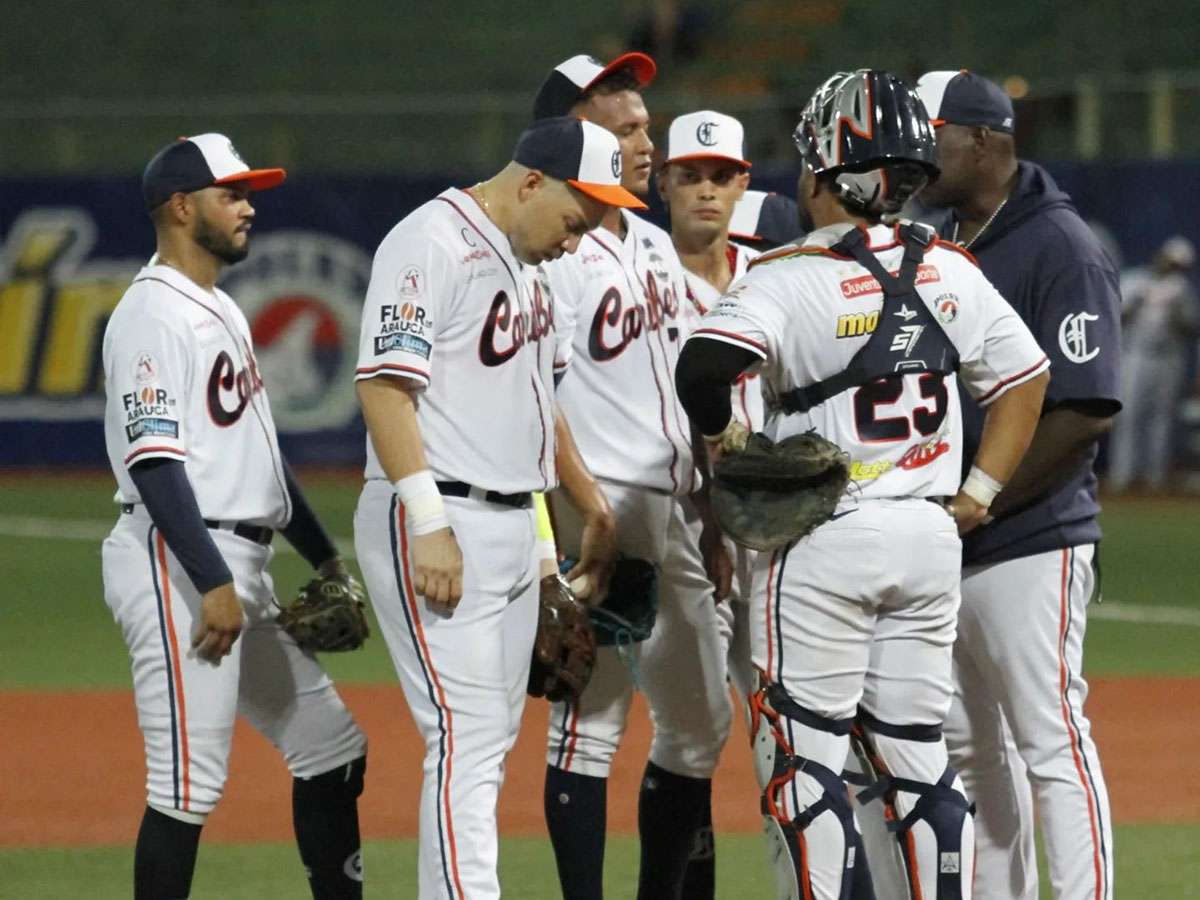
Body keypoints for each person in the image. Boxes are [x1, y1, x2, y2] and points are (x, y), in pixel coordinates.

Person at [676, 69, 1051, 900]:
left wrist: (727, 444)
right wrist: (980, 493)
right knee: (919, 765)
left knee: (805, 767)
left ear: (820, 171)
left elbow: (703, 368)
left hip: (821, 540)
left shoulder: (785, 275)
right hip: (926, 537)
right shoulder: (950, 268)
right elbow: (1026, 376)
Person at [352, 116, 632, 900]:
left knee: (489, 743)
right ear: (533, 181)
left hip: (514, 525)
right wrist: (428, 522)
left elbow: (538, 411)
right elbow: (382, 385)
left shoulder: (538, 268)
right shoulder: (431, 241)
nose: (578, 242)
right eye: (577, 221)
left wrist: (549, 551)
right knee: (465, 739)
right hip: (441, 514)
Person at [100, 133, 368, 900]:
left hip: (235, 562)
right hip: (179, 563)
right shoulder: (153, 313)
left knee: (332, 747)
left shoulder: (218, 306)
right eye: (234, 194)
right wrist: (211, 579)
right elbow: (155, 462)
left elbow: (261, 460)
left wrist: (323, 557)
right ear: (182, 206)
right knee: (187, 787)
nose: (250, 207)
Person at [914, 69, 1122, 900]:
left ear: (989, 143)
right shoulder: (938, 238)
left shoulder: (1058, 244)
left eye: (935, 138)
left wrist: (982, 497)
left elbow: (1085, 411)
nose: (921, 156)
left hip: (1033, 538)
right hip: (953, 539)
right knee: (973, 752)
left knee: (1051, 742)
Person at [532, 53, 734, 900]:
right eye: (626, 129)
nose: (647, 142)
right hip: (599, 506)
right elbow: (538, 395)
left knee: (701, 724)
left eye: (646, 125)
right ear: (573, 139)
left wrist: (715, 516)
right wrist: (568, 527)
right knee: (587, 727)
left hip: (674, 508)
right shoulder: (554, 252)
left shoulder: (651, 243)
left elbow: (691, 387)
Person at [659, 108, 759, 898]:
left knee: (787, 724)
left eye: (720, 175)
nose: (704, 190)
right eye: (688, 174)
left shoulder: (772, 275)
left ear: (742, 184)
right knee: (690, 734)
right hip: (676, 526)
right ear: (663, 183)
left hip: (773, 531)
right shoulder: (638, 277)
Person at [1108, 235, 1199, 492]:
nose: (1174, 268)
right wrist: (1138, 302)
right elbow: (1115, 318)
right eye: (1172, 262)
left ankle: (1154, 477)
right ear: (1162, 256)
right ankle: (1122, 476)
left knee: (1161, 419)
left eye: (1179, 265)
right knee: (1129, 414)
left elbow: (1192, 328)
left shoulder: (1181, 288)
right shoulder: (1135, 280)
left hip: (1169, 357)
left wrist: (1177, 312)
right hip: (1135, 355)